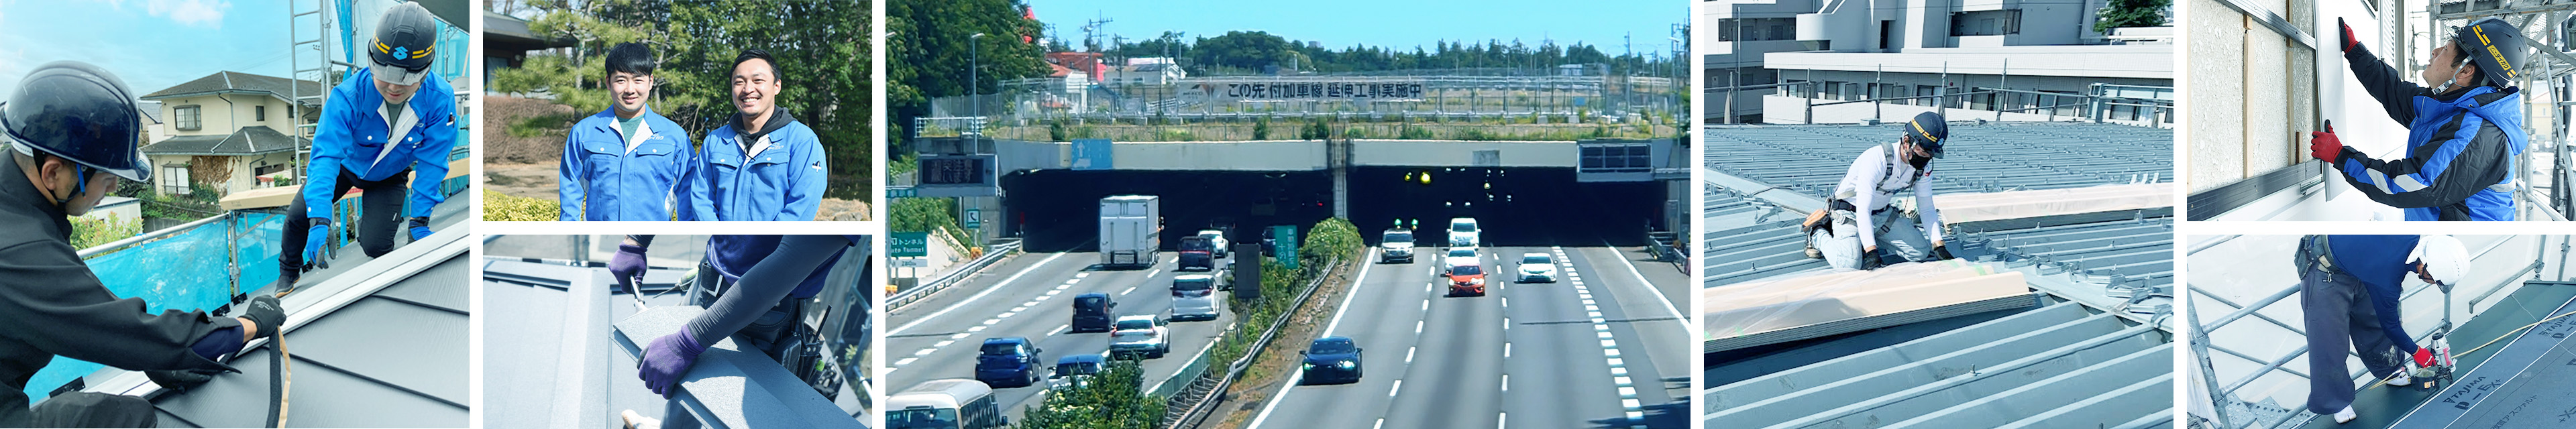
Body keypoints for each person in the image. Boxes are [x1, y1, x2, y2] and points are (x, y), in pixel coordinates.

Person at [0, 60, 286, 428]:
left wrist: (155, 358)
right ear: (53, 172)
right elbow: (119, 328)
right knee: (126, 419)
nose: (115, 189)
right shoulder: (18, 251)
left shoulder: (18, 208)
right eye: (106, 178)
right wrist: (248, 325)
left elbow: (79, 298)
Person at [276, 2, 460, 291]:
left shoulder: (440, 99)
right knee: (298, 216)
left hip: (389, 175)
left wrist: (420, 220)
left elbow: (433, 161)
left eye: (407, 80)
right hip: (345, 167)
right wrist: (321, 217)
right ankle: (288, 272)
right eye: (384, 77)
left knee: (376, 246)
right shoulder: (347, 96)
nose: (394, 88)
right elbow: (325, 157)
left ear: (424, 72)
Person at [613, 235, 862, 429]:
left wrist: (687, 342)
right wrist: (636, 241)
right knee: (685, 391)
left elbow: (789, 262)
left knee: (728, 411)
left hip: (760, 313)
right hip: (709, 276)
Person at [2310, 17, 2528, 221]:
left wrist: (2341, 156)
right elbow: (2393, 92)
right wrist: (2354, 50)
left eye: (2445, 50)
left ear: (2465, 71)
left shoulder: (2477, 136)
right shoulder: (2448, 105)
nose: (2435, 52)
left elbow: (2412, 184)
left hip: (2459, 249)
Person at [2296, 235, 2465, 423]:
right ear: (2424, 267)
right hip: (2325, 269)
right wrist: (2417, 352)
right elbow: (2391, 326)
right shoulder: (2387, 277)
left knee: (2373, 318)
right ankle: (2337, 401)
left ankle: (2390, 370)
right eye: (2435, 280)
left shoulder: (2413, 240)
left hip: (2361, 265)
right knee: (2328, 341)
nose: (2434, 283)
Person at [682, 49, 826, 221]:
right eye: (739, 82)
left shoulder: (802, 141)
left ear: (777, 86)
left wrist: (763, 246)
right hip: (720, 247)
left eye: (758, 80)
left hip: (774, 248)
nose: (748, 89)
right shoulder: (715, 141)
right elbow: (701, 200)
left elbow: (802, 205)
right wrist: (720, 243)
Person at [561, 42, 694, 221]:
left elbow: (688, 195)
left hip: (653, 243)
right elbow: (571, 188)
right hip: (599, 242)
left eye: (638, 80)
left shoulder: (674, 137)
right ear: (609, 82)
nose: (630, 90)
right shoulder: (584, 133)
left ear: (651, 82)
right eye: (621, 80)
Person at [1806, 111, 1951, 270]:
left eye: (1931, 155)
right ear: (1907, 141)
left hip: (1881, 214)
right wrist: (1871, 251)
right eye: (1923, 153)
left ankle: (1865, 237)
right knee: (1849, 264)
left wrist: (1939, 245)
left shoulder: (1923, 167)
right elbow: (1863, 209)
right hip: (1850, 213)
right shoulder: (1878, 159)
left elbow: (1927, 208)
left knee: (1920, 252)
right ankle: (1817, 233)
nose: (1926, 159)